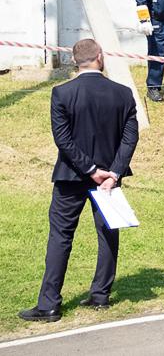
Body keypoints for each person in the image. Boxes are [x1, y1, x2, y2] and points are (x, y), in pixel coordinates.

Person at [19, 38, 138, 323]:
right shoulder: (122, 93)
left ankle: (49, 304)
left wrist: (90, 169)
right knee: (108, 234)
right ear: (100, 56)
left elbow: (63, 140)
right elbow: (130, 136)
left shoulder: (62, 93)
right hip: (108, 177)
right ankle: (101, 294)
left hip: (71, 176)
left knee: (60, 237)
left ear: (75, 60)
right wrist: (112, 172)